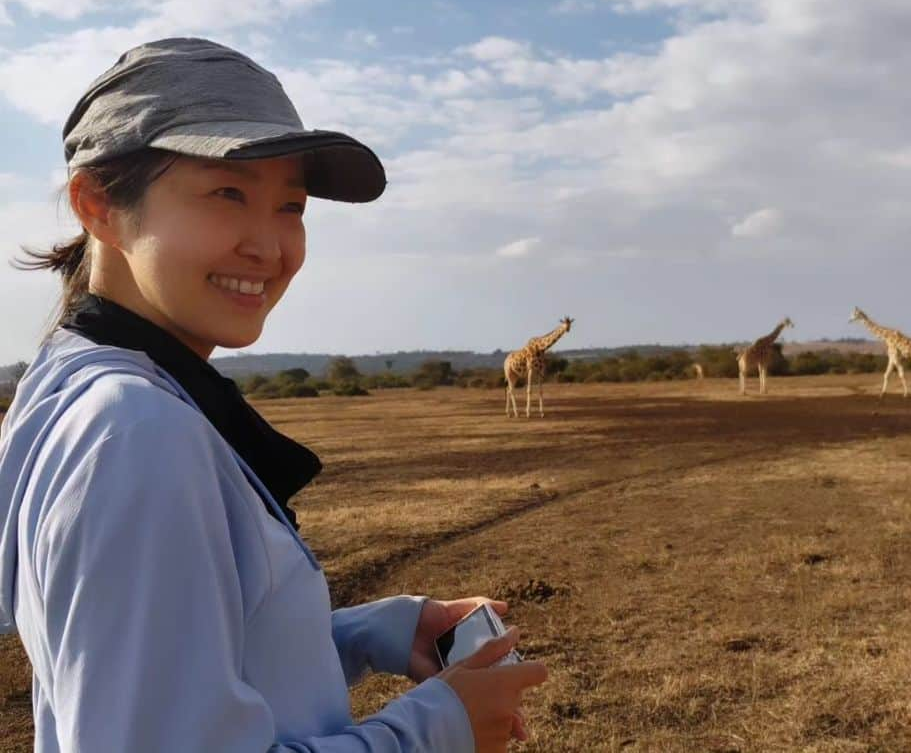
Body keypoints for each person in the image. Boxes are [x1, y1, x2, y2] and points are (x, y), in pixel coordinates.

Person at [0, 37, 547, 752]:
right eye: (228, 193)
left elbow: (176, 651)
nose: (271, 245)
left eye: (290, 205)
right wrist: (438, 726)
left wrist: (368, 631)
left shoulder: (72, 377)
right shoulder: (136, 432)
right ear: (98, 203)